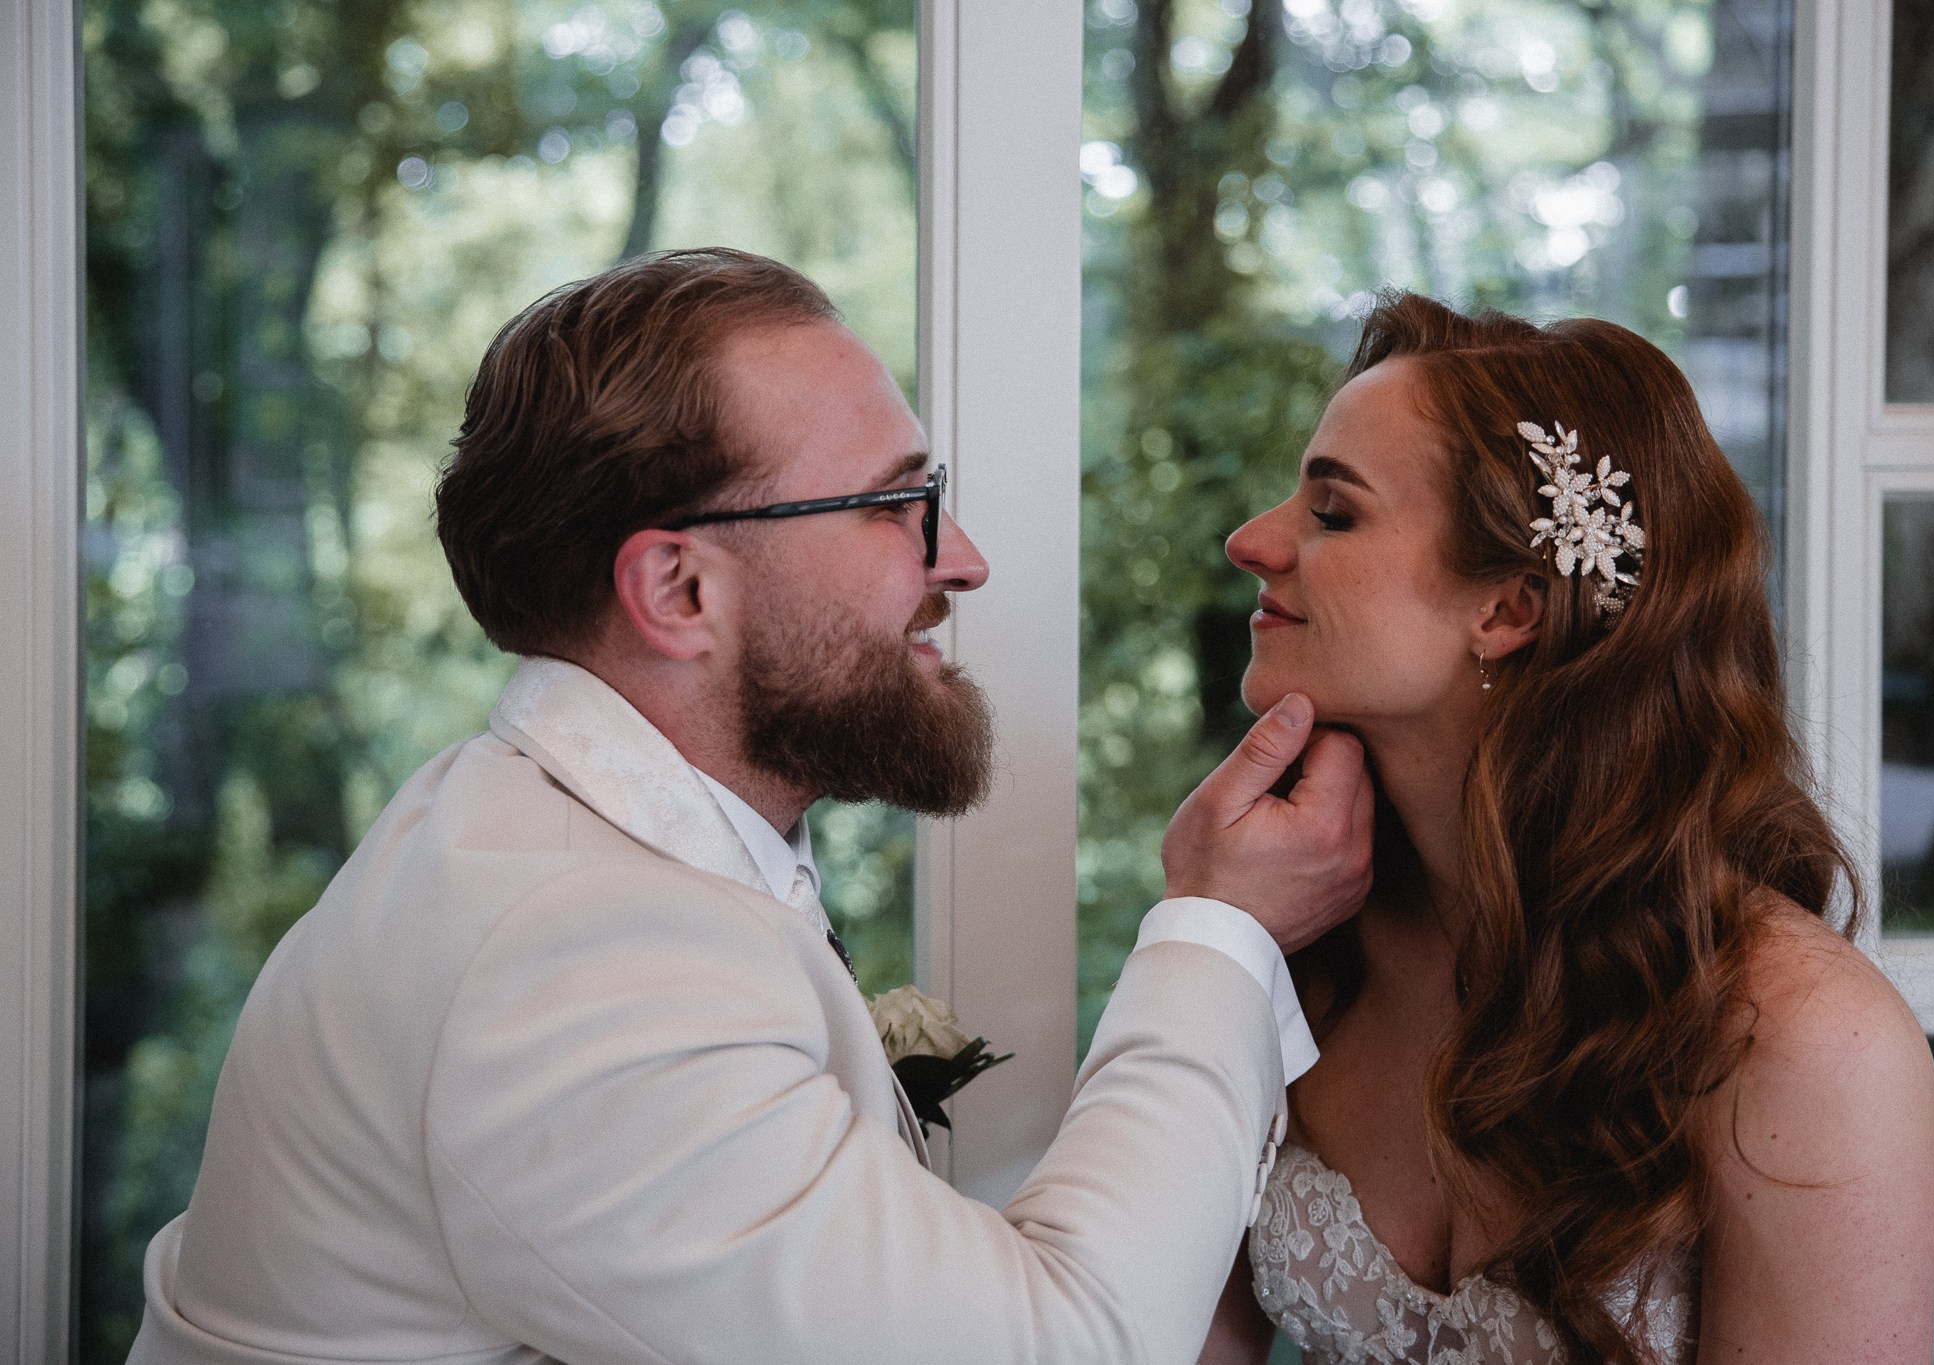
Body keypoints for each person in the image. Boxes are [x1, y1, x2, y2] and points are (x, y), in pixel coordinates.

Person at [128, 248, 1378, 1365]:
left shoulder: (551, 837)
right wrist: (1218, 925)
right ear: (677, 590)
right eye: (894, 506)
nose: (961, 560)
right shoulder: (575, 962)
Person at [1194, 294, 1934, 1365]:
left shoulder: (1801, 1037)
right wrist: (1204, 929)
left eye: (1332, 513)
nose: (1249, 540)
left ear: (1507, 608)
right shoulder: (1291, 940)